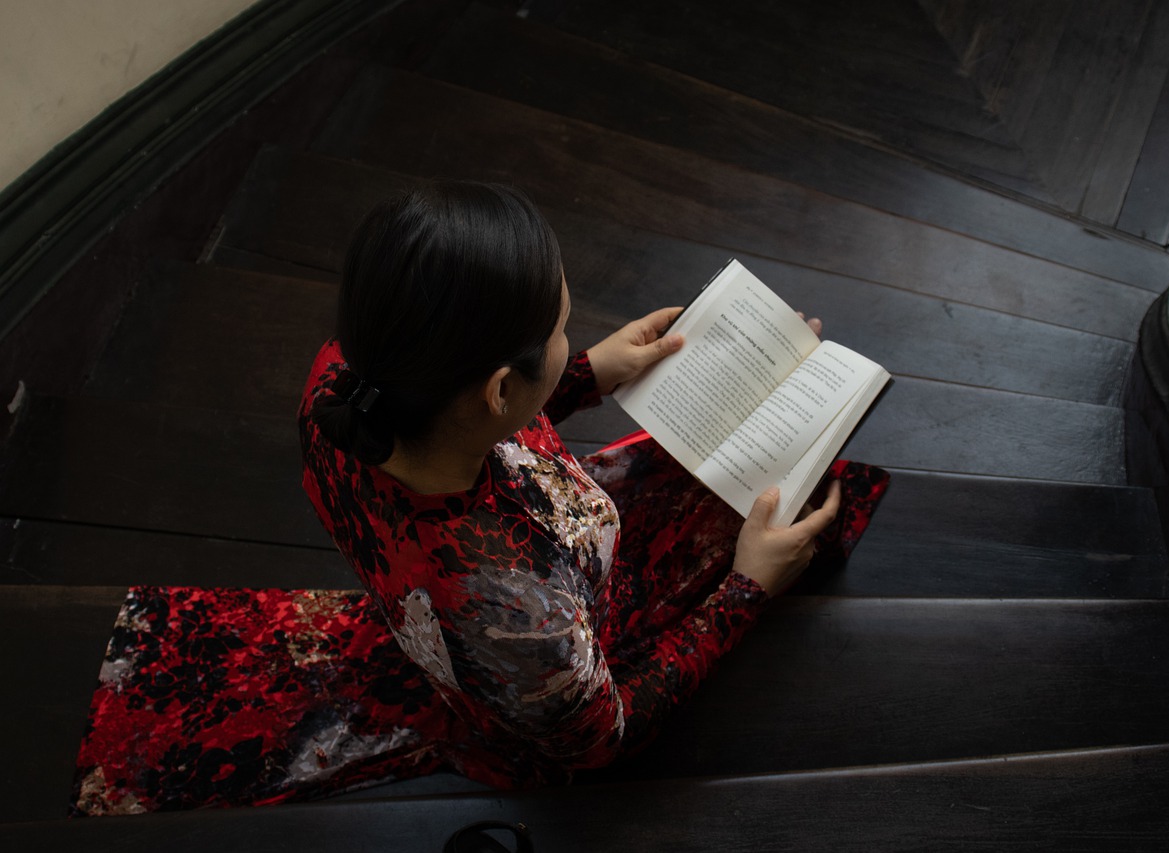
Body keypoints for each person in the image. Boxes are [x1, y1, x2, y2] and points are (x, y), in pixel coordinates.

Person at [299, 182, 889, 789]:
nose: (568, 339)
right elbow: (604, 737)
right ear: (501, 390)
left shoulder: (345, 386)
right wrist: (748, 587)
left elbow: (465, 423)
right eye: (561, 329)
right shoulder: (517, 606)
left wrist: (586, 373)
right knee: (786, 500)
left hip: (504, 606)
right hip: (551, 653)